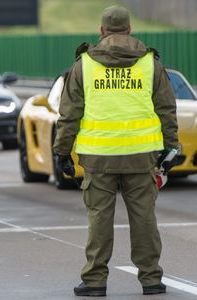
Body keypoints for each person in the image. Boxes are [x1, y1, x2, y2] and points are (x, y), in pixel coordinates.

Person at [53, 5, 178, 297]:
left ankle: (95, 281)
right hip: (141, 156)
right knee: (144, 218)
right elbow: (166, 109)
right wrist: (171, 146)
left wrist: (62, 151)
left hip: (98, 159)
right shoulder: (150, 64)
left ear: (101, 31)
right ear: (130, 30)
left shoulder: (84, 64)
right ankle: (151, 279)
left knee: (99, 218)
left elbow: (68, 113)